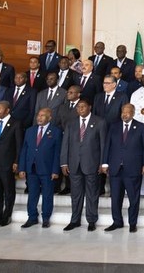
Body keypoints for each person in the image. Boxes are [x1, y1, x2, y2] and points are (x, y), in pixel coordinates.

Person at [60, 99, 107, 232]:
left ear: (89, 107)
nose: (80, 109)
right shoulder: (71, 123)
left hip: (92, 164)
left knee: (92, 194)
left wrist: (102, 163)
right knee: (76, 195)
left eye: (83, 106)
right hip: (74, 164)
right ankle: (75, 220)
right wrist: (64, 162)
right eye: (78, 107)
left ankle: (91, 220)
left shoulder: (99, 122)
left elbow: (103, 144)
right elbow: (65, 144)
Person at [102, 104, 144, 232]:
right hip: (115, 168)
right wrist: (105, 163)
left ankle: (132, 223)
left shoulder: (141, 127)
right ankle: (117, 221)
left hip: (133, 168)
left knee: (134, 198)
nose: (125, 114)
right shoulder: (114, 126)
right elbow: (108, 145)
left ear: (133, 113)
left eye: (128, 112)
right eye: (123, 112)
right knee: (116, 197)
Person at [18, 108, 62, 228]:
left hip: (47, 169)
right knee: (32, 194)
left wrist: (55, 170)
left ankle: (46, 218)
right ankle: (32, 217)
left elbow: (57, 153)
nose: (39, 117)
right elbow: (24, 150)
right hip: (31, 168)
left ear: (49, 118)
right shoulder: (30, 131)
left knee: (47, 194)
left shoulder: (56, 131)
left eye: (43, 115)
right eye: (38, 115)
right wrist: (22, 168)